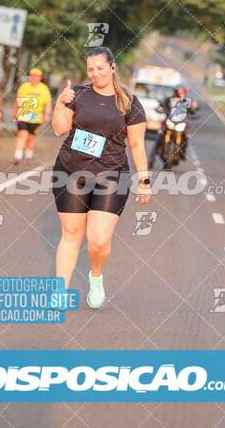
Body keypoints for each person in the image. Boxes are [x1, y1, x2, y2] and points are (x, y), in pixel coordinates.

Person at [51, 46, 151, 309]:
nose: (95, 74)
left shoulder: (128, 102)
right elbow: (60, 129)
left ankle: (96, 277)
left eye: (100, 68)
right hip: (70, 171)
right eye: (90, 70)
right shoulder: (79, 95)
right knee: (71, 233)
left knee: (98, 240)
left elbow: (137, 145)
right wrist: (60, 103)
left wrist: (144, 181)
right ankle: (61, 290)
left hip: (111, 176)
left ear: (112, 67)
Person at [13, 68, 52, 164]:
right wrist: (15, 114)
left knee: (31, 137)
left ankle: (28, 155)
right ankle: (17, 156)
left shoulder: (44, 88)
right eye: (32, 75)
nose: (34, 78)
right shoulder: (24, 87)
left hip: (36, 117)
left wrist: (47, 114)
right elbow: (17, 101)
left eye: (36, 76)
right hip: (23, 115)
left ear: (40, 78)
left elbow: (48, 103)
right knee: (22, 134)